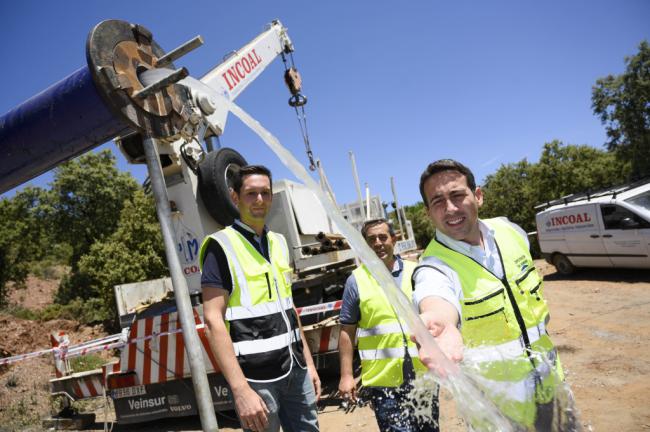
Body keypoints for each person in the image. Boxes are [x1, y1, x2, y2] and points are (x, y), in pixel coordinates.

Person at [412, 159, 565, 430]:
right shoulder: (433, 266)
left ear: (478, 196)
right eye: (437, 201)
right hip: (497, 410)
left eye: (457, 195)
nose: (450, 208)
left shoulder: (511, 231)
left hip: (551, 382)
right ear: (428, 213)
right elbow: (436, 300)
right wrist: (441, 325)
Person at [200, 165, 321, 432]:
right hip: (255, 379)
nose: (259, 201)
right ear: (235, 197)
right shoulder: (220, 246)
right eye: (251, 193)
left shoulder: (278, 242)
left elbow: (289, 309)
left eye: (265, 193)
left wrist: (309, 364)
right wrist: (240, 390)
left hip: (296, 369)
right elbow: (212, 321)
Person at [338, 218, 439, 432]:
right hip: (384, 382)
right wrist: (347, 376)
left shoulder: (416, 272)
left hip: (423, 374)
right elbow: (347, 331)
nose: (378, 243)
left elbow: (434, 315)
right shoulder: (356, 281)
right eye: (371, 239)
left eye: (383, 237)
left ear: (394, 239)